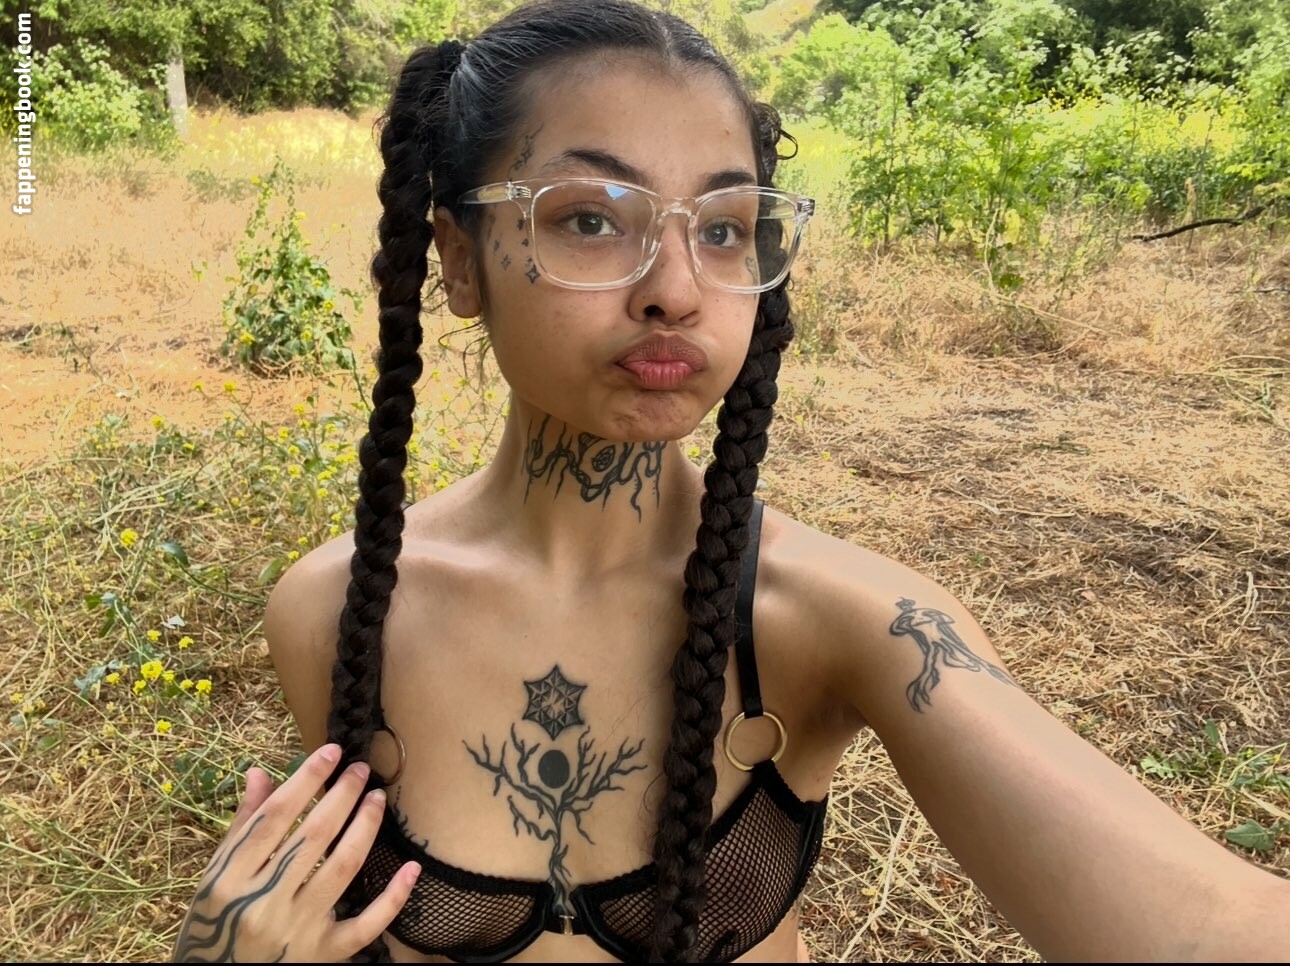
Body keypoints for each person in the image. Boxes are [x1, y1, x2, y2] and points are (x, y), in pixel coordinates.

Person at [170, 1, 1290, 962]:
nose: (676, 288)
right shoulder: (335, 612)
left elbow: (1209, 928)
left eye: (723, 228)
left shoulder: (843, 620)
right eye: (591, 218)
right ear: (459, 260)